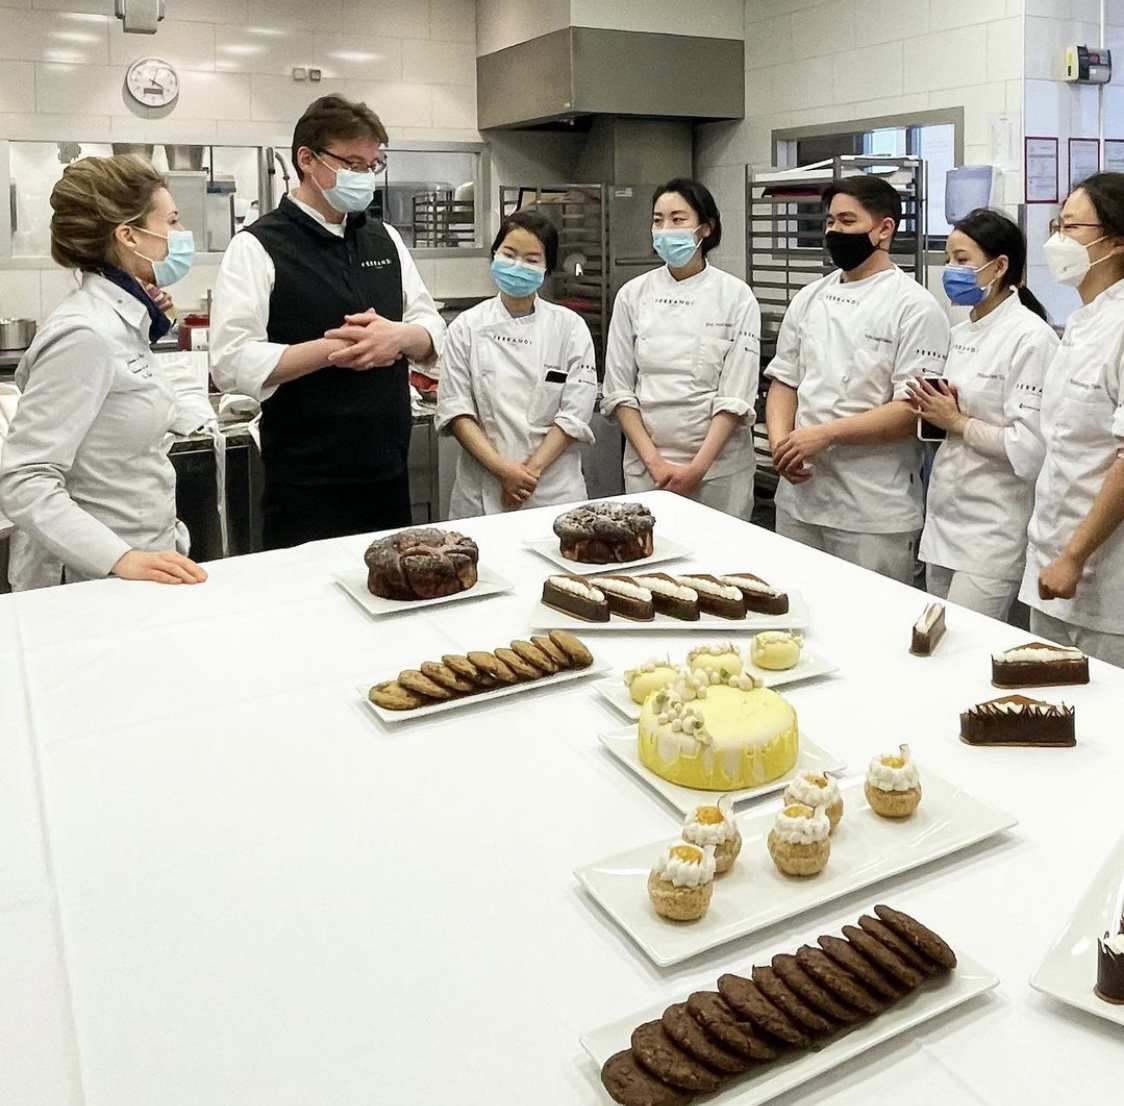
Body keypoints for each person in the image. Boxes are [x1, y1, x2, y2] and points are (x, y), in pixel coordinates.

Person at [209, 94, 445, 549]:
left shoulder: (385, 238)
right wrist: (333, 350)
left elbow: (431, 326)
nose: (364, 178)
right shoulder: (259, 245)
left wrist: (398, 337)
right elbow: (231, 361)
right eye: (352, 163)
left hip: (387, 470)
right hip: (305, 483)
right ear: (307, 160)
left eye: (372, 166)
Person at [0, 154, 207, 589]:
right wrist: (120, 557)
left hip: (145, 560)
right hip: (86, 577)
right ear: (129, 235)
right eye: (171, 222)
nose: (181, 235)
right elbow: (24, 477)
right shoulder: (85, 333)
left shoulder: (123, 322)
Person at [764, 174, 950, 585]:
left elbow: (913, 411)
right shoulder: (810, 298)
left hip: (872, 510)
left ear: (884, 228)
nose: (835, 232)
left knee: (868, 628)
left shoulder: (915, 308)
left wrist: (825, 435)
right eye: (830, 222)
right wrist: (782, 444)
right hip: (801, 499)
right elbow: (784, 381)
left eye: (847, 222)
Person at [906, 209, 1057, 621]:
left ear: (1000, 266)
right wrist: (933, 411)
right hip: (944, 520)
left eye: (962, 259)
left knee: (966, 647)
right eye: (948, 259)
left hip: (993, 529)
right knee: (934, 640)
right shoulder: (958, 335)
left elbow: (1029, 449)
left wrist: (957, 422)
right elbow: (950, 418)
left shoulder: (1031, 338)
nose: (951, 270)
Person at [601, 178, 760, 518]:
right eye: (658, 220)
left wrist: (698, 468)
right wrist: (654, 462)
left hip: (718, 471)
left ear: (705, 227)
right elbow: (618, 390)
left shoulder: (735, 296)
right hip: (648, 469)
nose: (665, 228)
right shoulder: (633, 294)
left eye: (678, 219)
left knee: (720, 564)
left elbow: (735, 395)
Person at [1020, 172, 1124, 665]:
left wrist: (1074, 556)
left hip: (1105, 576)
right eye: (1054, 224)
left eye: (1070, 227)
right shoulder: (1081, 322)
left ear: (1116, 241)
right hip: (1052, 555)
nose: (1055, 240)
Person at [435, 209, 597, 517]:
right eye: (509, 254)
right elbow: (456, 412)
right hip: (482, 490)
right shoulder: (466, 327)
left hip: (552, 492)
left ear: (547, 267)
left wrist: (526, 475)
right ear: (494, 254)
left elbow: (574, 415)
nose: (517, 266)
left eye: (532, 259)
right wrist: (502, 472)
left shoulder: (569, 328)